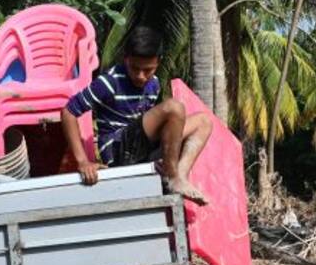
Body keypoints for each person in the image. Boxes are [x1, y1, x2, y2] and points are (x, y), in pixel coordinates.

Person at [60, 25, 213, 204]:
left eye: (148, 70)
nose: (141, 76)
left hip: (139, 150)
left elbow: (147, 128)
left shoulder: (154, 84)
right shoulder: (109, 82)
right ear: (126, 59)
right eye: (135, 68)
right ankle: (173, 178)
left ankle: (179, 175)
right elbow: (68, 111)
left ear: (158, 62)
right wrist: (82, 161)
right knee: (174, 108)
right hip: (117, 150)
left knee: (204, 121)